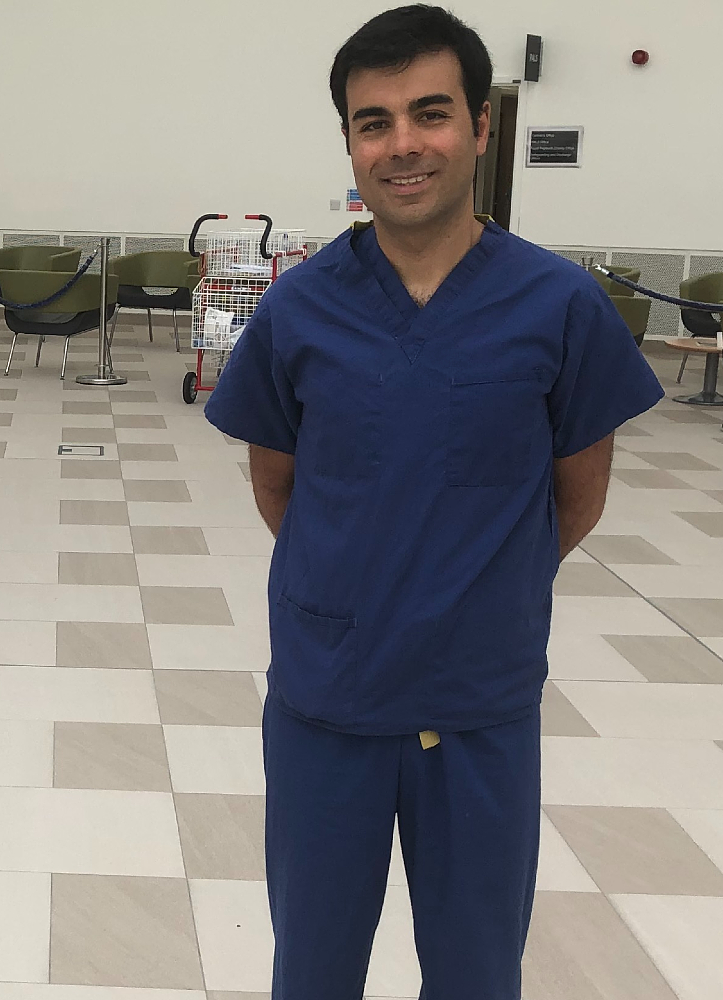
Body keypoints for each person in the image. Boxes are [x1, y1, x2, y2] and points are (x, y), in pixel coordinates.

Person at [203, 6, 664, 997]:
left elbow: (574, 499)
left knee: (477, 972)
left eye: (430, 112)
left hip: (479, 706)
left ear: (481, 127)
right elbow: (278, 486)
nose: (404, 144)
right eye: (374, 122)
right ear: (350, 143)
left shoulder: (560, 306)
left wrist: (470, 591)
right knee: (314, 971)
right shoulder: (299, 310)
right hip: (332, 701)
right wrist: (364, 585)